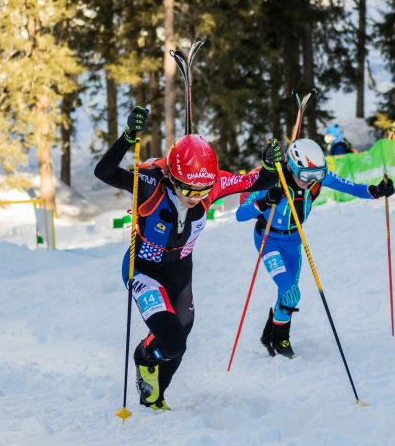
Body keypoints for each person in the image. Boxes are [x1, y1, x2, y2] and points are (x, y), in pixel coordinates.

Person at [94, 106, 283, 411]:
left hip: (180, 272)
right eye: (188, 189)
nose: (196, 196)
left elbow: (258, 182)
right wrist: (128, 137)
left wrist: (270, 166)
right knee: (171, 342)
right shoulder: (150, 184)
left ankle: (156, 391)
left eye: (203, 190)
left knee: (180, 340)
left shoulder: (212, 183)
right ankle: (144, 358)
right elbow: (103, 172)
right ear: (172, 176)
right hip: (143, 271)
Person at [236, 139, 395, 358]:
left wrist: (376, 191)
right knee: (291, 291)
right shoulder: (274, 179)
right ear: (291, 167)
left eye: (317, 175)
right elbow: (240, 214)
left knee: (287, 291)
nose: (310, 181)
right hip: (268, 239)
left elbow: (350, 187)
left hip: (294, 240)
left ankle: (269, 333)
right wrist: (264, 202)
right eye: (305, 176)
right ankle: (280, 340)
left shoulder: (316, 179)